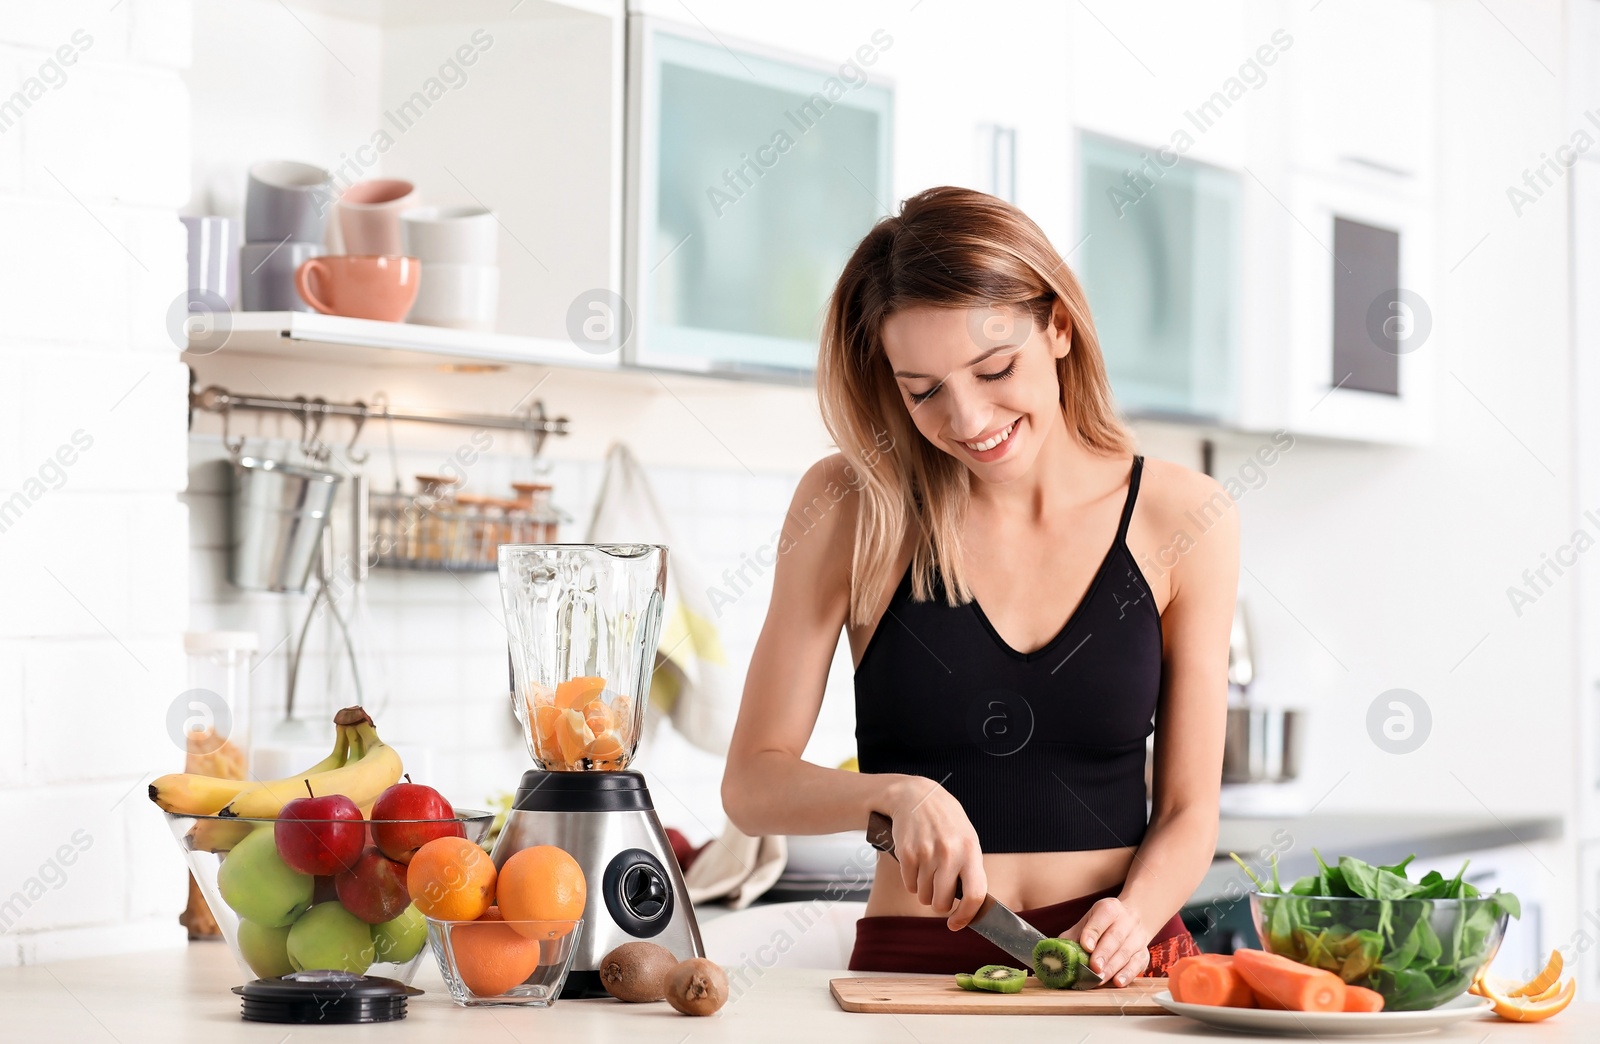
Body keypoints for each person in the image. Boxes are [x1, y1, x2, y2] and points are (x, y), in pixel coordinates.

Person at [721, 186, 1238, 984]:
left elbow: (1187, 809)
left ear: (1058, 326)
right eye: (922, 389)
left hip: (1126, 966)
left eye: (994, 369)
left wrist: (1134, 916)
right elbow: (752, 782)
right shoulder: (850, 505)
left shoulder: (1183, 515)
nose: (965, 419)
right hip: (914, 966)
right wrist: (895, 796)